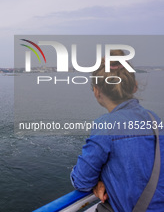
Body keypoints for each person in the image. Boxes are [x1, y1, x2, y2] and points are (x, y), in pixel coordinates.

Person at [70, 50, 164, 211]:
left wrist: (99, 180)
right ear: (134, 87)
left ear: (96, 91)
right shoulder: (154, 119)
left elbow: (82, 181)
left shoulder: (105, 126)